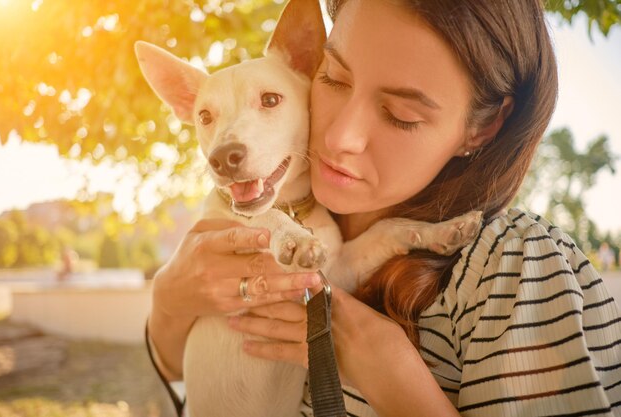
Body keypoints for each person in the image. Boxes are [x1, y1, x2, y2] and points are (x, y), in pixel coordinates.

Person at [147, 0, 621, 415]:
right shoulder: (299, 225)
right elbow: (179, 363)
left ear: (482, 129)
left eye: (401, 114)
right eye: (331, 79)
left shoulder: (519, 266)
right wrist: (169, 302)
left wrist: (391, 373)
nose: (338, 138)